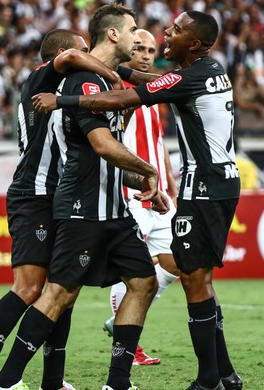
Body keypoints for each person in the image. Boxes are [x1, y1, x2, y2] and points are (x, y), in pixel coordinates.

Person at [33, 10, 243, 390]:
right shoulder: (209, 71)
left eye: (176, 30)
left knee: (195, 280)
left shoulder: (188, 76)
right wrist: (116, 69)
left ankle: (211, 379)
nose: (168, 32)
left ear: (193, 45)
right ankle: (224, 374)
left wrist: (63, 100)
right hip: (221, 184)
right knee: (197, 277)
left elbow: (124, 98)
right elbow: (149, 80)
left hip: (205, 187)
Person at [0, 4, 166, 390]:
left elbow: (113, 145)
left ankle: (117, 382)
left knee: (143, 282)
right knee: (54, 294)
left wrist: (141, 182)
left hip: (113, 207)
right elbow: (101, 146)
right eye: (133, 29)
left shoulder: (106, 84)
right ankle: (1, 381)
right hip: (81, 206)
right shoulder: (82, 80)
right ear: (114, 34)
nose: (140, 36)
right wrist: (149, 169)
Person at [0, 28, 122, 390]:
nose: (90, 59)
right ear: (65, 53)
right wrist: (110, 74)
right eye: (86, 52)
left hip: (59, 196)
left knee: (61, 290)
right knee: (28, 287)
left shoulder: (67, 91)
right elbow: (70, 57)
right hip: (33, 193)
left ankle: (52, 381)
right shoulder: (41, 76)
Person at [102, 28, 179, 367]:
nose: (147, 54)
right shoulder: (118, 90)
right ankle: (128, 345)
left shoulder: (153, 93)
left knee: (180, 262)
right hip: (130, 193)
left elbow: (157, 139)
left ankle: (116, 323)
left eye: (151, 49)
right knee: (135, 274)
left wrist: (168, 179)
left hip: (159, 192)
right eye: (140, 48)